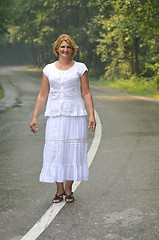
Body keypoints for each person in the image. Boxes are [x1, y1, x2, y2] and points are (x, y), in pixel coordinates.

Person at [30, 34, 96, 203]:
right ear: (57, 49)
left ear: (72, 50)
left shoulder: (80, 68)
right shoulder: (48, 70)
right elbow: (43, 95)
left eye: (68, 47)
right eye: (62, 47)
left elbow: (86, 93)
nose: (65, 50)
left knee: (73, 152)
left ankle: (69, 188)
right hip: (55, 116)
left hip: (75, 116)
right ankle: (59, 189)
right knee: (56, 152)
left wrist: (92, 115)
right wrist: (35, 117)